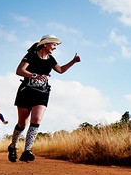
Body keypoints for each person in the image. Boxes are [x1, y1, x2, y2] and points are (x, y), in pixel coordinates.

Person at [8, 34, 80, 163]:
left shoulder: (51, 59)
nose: (55, 47)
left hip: (42, 92)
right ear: (46, 44)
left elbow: (61, 70)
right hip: (26, 91)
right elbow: (19, 71)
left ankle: (27, 150)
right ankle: (13, 146)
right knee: (22, 123)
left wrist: (73, 62)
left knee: (36, 119)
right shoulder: (31, 55)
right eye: (54, 45)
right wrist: (34, 75)